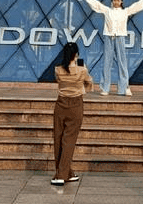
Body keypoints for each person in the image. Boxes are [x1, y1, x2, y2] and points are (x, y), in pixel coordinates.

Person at [74, 0, 143, 96]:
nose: (116, 2)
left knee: (122, 62)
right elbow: (96, 4)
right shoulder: (107, 11)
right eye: (114, 0)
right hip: (109, 37)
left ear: (121, 1)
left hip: (120, 37)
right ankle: (105, 88)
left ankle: (124, 88)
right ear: (112, 1)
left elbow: (137, 6)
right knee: (107, 62)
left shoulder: (125, 12)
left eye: (118, 0)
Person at [51, 42, 93, 186]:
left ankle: (65, 172)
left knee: (58, 139)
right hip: (76, 106)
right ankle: (62, 175)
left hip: (60, 105)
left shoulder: (58, 70)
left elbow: (59, 81)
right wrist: (82, 87)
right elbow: (89, 84)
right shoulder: (82, 70)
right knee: (69, 140)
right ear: (76, 55)